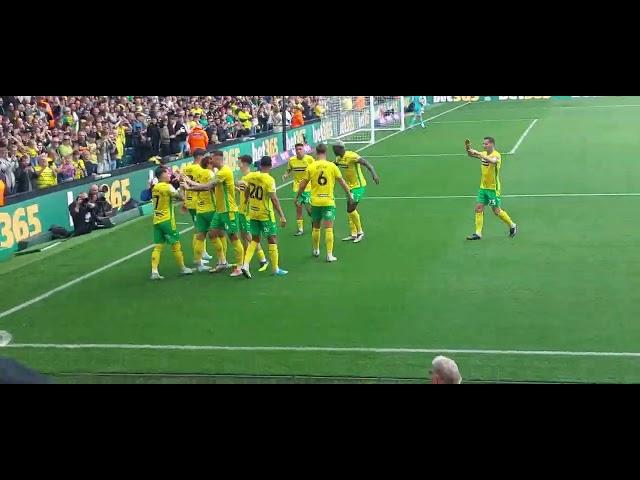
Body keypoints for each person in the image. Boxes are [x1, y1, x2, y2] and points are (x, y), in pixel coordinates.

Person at [182, 151, 245, 277]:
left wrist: (189, 186)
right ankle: (222, 261)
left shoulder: (223, 172)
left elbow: (208, 186)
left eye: (212, 159)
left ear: (218, 159)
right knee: (212, 234)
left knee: (233, 237)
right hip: (219, 211)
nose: (210, 161)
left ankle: (240, 266)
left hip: (228, 210)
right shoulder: (218, 172)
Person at [296, 144, 353, 262]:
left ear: (316, 152)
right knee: (328, 229)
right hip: (328, 201)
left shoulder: (311, 166)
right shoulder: (332, 166)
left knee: (316, 228)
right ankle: (329, 254)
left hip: (315, 202)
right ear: (326, 152)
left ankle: (316, 250)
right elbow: (342, 182)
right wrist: (349, 194)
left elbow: (303, 185)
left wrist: (297, 196)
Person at [240, 156, 288, 278]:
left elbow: (246, 189)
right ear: (270, 166)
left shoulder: (252, 176)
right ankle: (275, 269)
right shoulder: (269, 180)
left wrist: (245, 202)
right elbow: (274, 200)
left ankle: (245, 265)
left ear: (260, 165)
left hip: (253, 213)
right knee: (272, 239)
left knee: (255, 239)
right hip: (265, 214)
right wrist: (282, 216)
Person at [465, 137, 517, 241]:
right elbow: (471, 154)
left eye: (486, 144)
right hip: (483, 187)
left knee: (496, 211)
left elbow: (493, 161)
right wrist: (468, 148)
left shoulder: (496, 155)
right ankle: (478, 233)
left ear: (492, 144)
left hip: (493, 189)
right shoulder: (484, 154)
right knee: (478, 208)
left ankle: (512, 225)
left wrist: (480, 154)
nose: (484, 146)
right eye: (483, 144)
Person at [150, 167, 194, 280]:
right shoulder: (166, 187)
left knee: (158, 246)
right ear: (162, 175)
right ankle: (183, 268)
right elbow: (180, 197)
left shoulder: (155, 187)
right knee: (176, 245)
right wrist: (182, 186)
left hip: (157, 220)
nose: (169, 175)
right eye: (167, 173)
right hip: (167, 220)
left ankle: (154, 271)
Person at [333, 141, 380, 243]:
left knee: (351, 208)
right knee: (350, 210)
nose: (333, 151)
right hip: (349, 187)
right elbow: (333, 166)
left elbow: (366, 163)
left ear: (340, 149)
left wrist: (374, 174)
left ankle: (360, 232)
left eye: (334, 149)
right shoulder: (338, 159)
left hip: (358, 186)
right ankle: (353, 234)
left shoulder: (351, 156)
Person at [237, 155, 269, 273]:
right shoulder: (245, 177)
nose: (238, 164)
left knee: (250, 237)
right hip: (241, 210)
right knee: (244, 237)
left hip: (246, 211)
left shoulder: (249, 177)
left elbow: (250, 194)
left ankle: (263, 259)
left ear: (245, 163)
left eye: (239, 162)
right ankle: (246, 262)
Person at [181, 149, 213, 267]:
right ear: (200, 157)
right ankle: (198, 257)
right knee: (200, 230)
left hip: (189, 200)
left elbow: (182, 185)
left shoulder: (186, 168)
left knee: (200, 228)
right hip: (197, 201)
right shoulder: (200, 169)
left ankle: (202, 253)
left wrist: (184, 200)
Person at [282, 143, 314, 236]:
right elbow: (289, 169)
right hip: (297, 187)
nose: (299, 151)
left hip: (308, 187)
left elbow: (315, 170)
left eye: (300, 149)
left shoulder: (309, 159)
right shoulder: (292, 160)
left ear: (303, 150)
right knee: (298, 208)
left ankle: (314, 223)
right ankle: (300, 229)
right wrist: (285, 175)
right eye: (297, 149)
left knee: (309, 209)